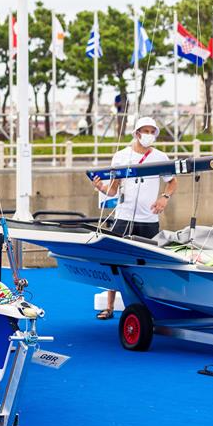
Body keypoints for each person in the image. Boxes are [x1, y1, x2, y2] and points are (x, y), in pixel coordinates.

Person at [91, 116, 178, 320]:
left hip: (149, 219)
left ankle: (153, 306)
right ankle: (109, 307)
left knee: (152, 263)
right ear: (137, 133)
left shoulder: (160, 157)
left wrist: (164, 198)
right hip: (124, 216)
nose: (148, 135)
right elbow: (113, 189)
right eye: (145, 131)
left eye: (152, 131)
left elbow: (172, 182)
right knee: (115, 261)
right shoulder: (121, 156)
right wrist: (101, 187)